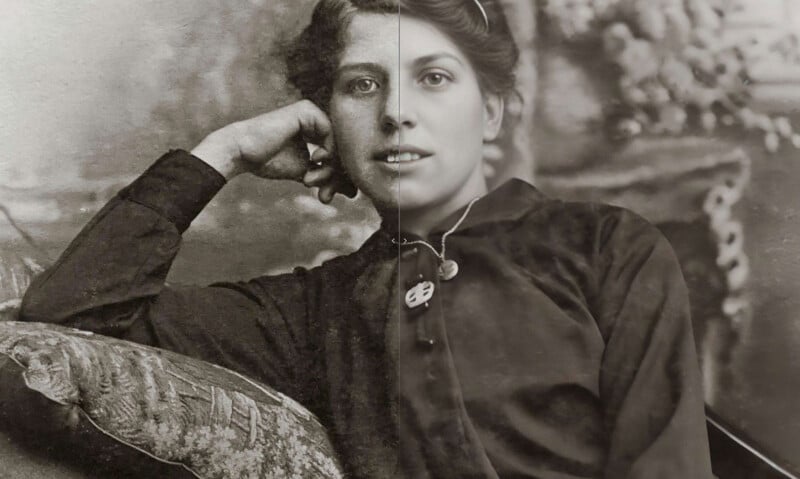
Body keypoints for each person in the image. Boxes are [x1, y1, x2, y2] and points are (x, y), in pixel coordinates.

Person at [20, 0, 714, 477]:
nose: (398, 113)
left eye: (434, 79)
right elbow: (71, 315)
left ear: (493, 111)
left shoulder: (603, 248)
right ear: (325, 122)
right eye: (362, 86)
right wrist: (222, 153)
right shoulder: (312, 311)